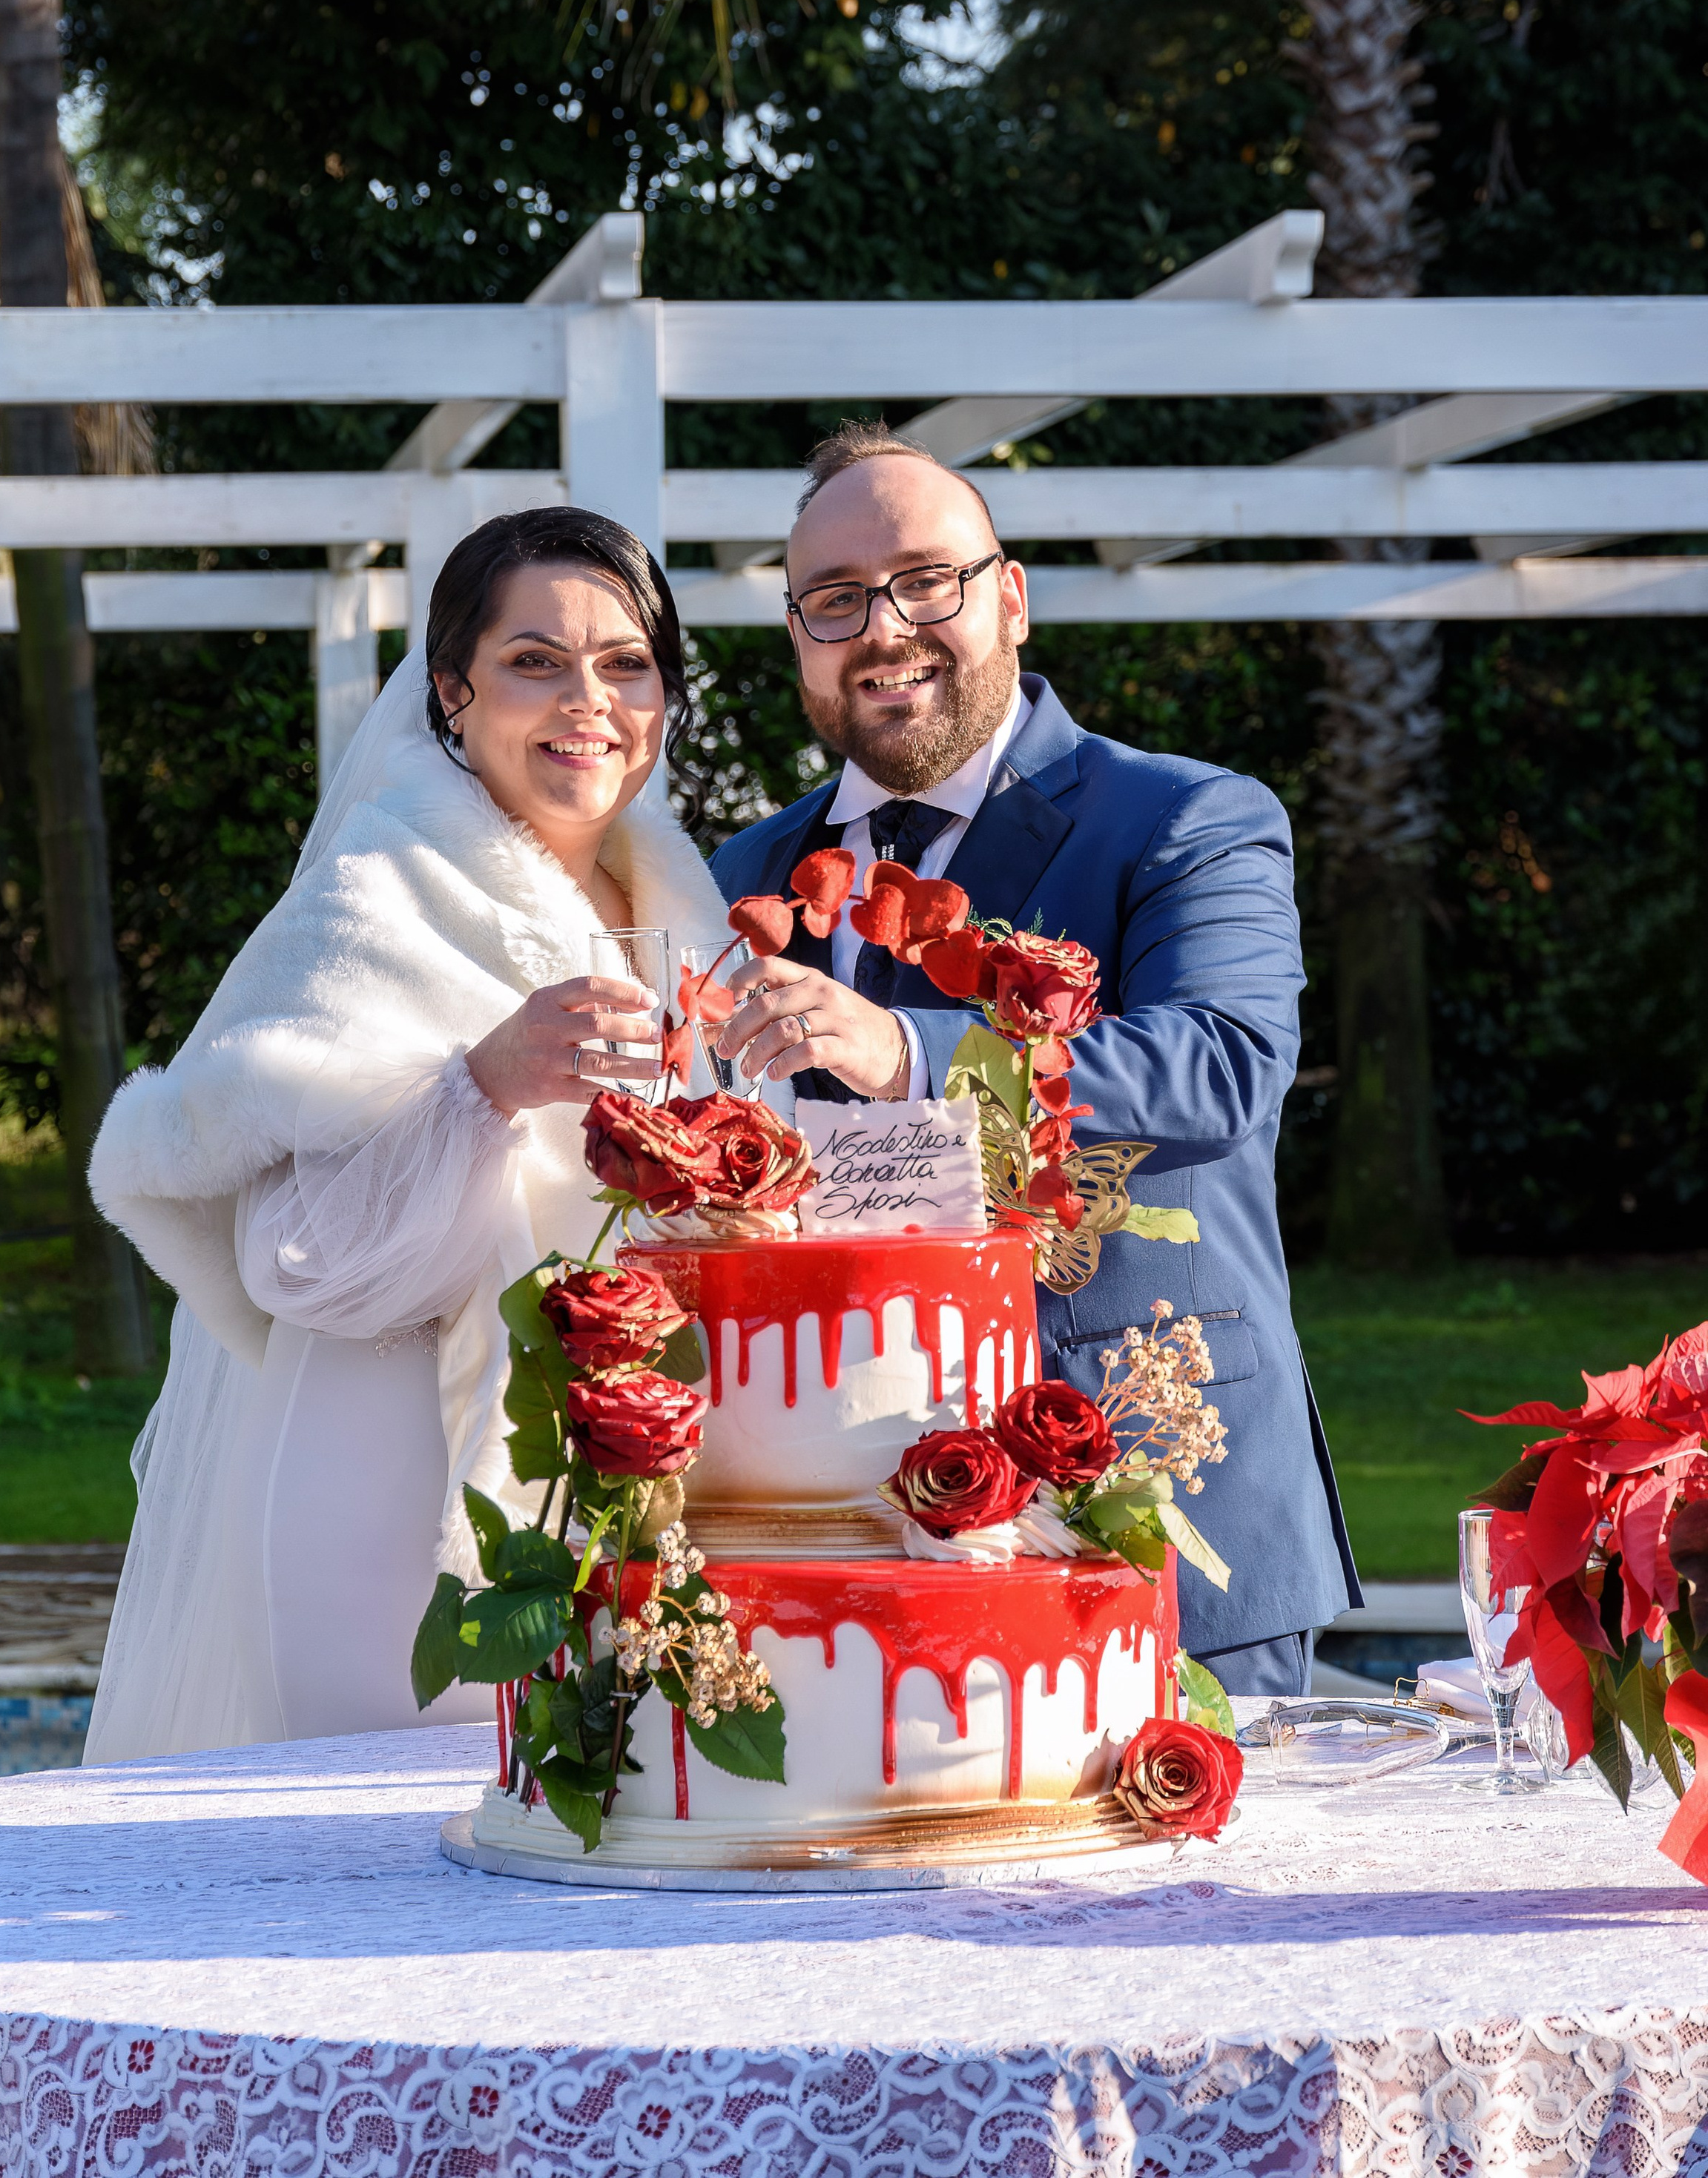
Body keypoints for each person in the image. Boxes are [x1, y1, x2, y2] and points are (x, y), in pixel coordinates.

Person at [709, 423, 1362, 1692]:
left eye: (924, 581)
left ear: (1011, 600)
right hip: (836, 1527)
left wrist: (910, 1047)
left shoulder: (1186, 816)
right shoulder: (744, 874)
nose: (884, 626)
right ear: (799, 639)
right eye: (836, 600)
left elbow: (1223, 1063)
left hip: (1150, 1495)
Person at [83, 507, 731, 1761]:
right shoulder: (373, 897)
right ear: (452, 691)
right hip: (394, 1498)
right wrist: (480, 1087)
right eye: (534, 660)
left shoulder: (686, 914)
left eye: (626, 663)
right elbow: (297, 1266)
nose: (587, 699)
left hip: (641, 1491)